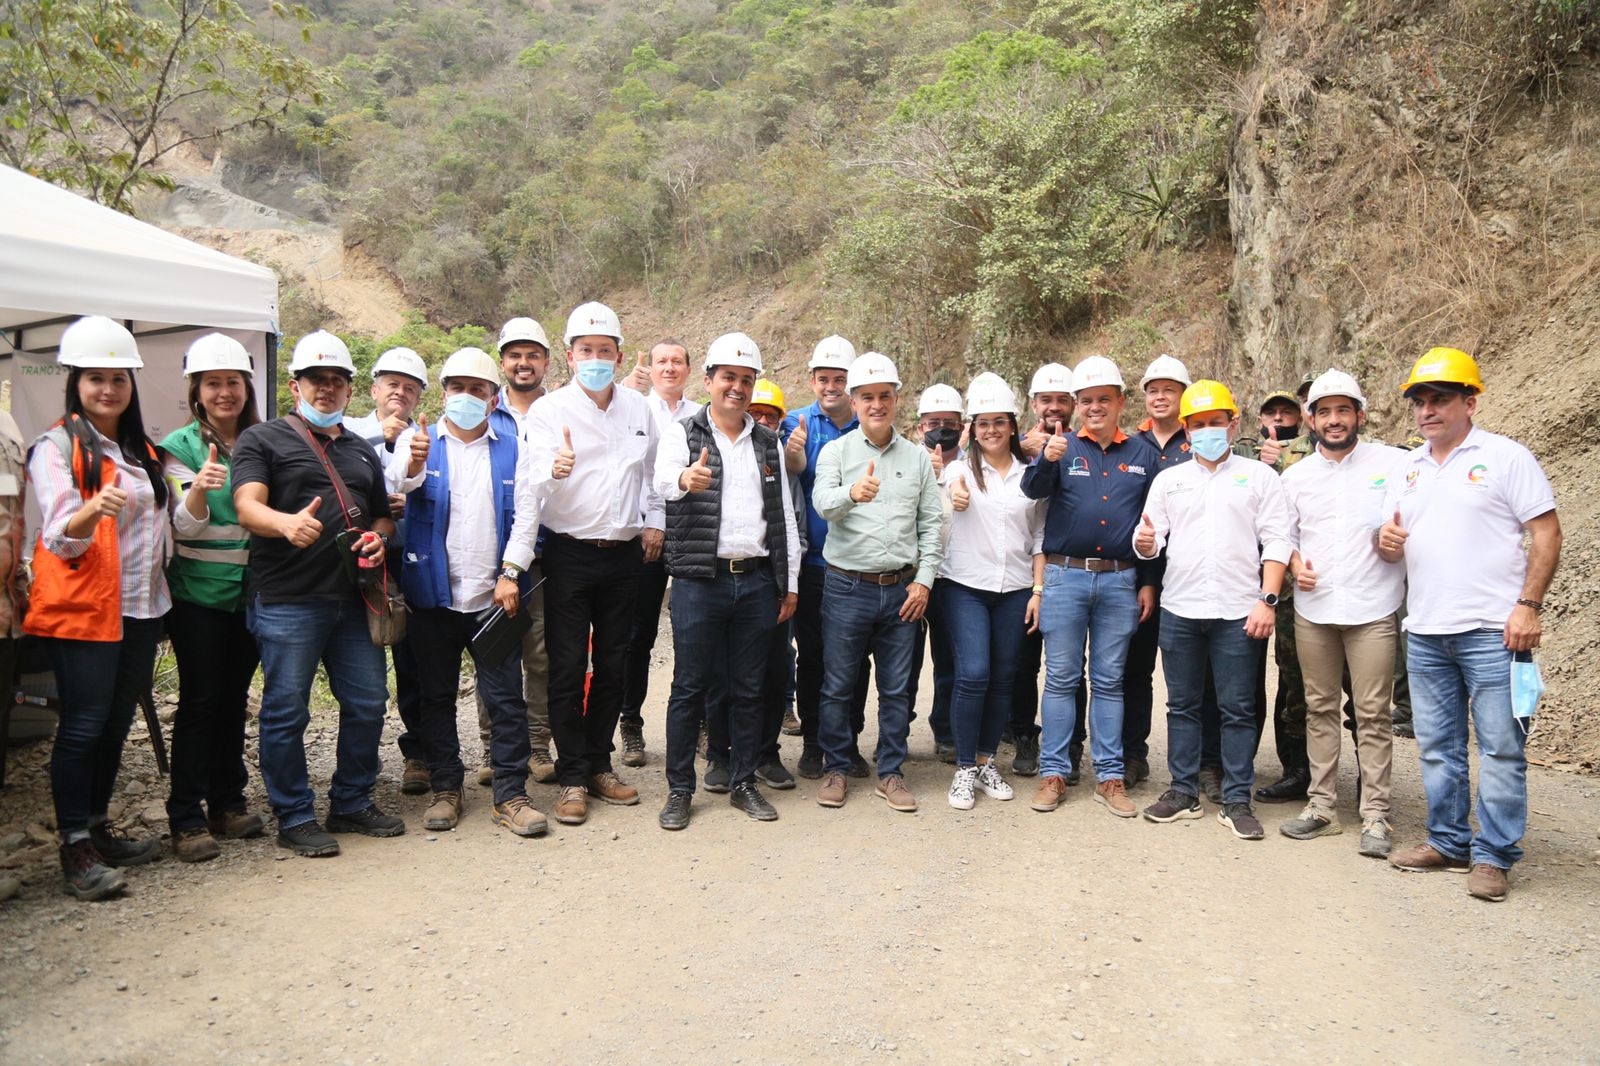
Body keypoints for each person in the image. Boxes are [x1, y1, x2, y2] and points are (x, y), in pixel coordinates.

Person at [1378, 347, 1561, 903]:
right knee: (1437, 744)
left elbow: (1547, 533)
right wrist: (1383, 543)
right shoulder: (1408, 467)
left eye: (1440, 399)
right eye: (1420, 402)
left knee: (1501, 746)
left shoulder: (1506, 458)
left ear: (1470, 401)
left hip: (1492, 630)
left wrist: (1527, 605)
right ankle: (1449, 840)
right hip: (1428, 628)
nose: (1428, 411)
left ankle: (1494, 855)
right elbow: (1391, 542)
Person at [233, 329, 403, 857]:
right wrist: (284, 523)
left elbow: (381, 514)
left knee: (369, 701)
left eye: (336, 380)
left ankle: (351, 801)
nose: (326, 389)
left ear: (350, 390)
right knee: (287, 709)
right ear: (295, 385)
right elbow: (246, 505)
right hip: (288, 598)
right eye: (316, 380)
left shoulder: (358, 449)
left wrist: (379, 537)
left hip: (353, 600)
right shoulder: (261, 440)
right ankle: (295, 814)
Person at [25, 316, 171, 899]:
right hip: (85, 611)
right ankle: (74, 846)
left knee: (113, 722)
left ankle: (98, 826)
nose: (108, 389)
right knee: (82, 725)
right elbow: (61, 533)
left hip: (140, 607)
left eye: (118, 378)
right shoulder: (56, 448)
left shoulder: (141, 451)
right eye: (95, 378)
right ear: (75, 382)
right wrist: (94, 509)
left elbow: (168, 526)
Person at [392, 347, 547, 836]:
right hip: (432, 598)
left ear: (492, 396)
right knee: (435, 697)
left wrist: (511, 572)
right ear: (443, 394)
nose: (466, 397)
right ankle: (445, 788)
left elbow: (527, 514)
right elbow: (395, 487)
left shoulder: (512, 446)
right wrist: (411, 465)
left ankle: (511, 794)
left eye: (477, 389)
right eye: (457, 388)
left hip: (493, 598)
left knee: (505, 699)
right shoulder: (417, 442)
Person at [522, 302, 663, 826]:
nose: (597, 359)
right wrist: (554, 470)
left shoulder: (638, 408)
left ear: (620, 354)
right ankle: (573, 774)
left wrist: (654, 521)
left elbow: (652, 475)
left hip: (624, 555)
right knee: (565, 666)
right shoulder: (548, 411)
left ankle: (600, 764)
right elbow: (532, 480)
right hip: (569, 554)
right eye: (587, 351)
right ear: (570, 356)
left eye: (606, 351)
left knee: (613, 662)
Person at [653, 334, 800, 830]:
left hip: (756, 581)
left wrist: (790, 583)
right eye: (728, 378)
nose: (736, 387)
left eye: (745, 380)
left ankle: (743, 782)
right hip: (699, 580)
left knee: (750, 687)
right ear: (710, 380)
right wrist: (682, 481)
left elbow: (783, 519)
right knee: (689, 686)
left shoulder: (768, 443)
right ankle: (679, 790)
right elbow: (659, 481)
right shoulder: (684, 433)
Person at [1135, 380, 1290, 842]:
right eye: (1198, 425)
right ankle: (1182, 791)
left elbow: (1278, 539)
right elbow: (1150, 539)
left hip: (1239, 612)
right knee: (1181, 705)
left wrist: (1268, 600)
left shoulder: (1260, 477)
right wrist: (1143, 545)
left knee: (1237, 708)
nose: (1207, 431)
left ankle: (1236, 798)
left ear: (1232, 423)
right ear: (1185, 429)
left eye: (1215, 423)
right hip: (1180, 609)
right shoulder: (1170, 480)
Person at [1021, 356, 1158, 817]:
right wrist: (1045, 460)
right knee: (1060, 679)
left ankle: (1110, 777)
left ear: (1121, 402)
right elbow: (1031, 490)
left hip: (1121, 578)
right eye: (1087, 401)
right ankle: (1054, 773)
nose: (1095, 408)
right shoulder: (1061, 446)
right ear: (1076, 406)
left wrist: (1147, 581)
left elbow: (1157, 523)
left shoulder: (1142, 454)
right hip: (1064, 575)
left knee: (1110, 681)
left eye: (1104, 399)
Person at [1278, 369, 1406, 857]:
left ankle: (1376, 816)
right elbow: (1282, 536)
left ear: (1360, 414)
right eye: (1325, 411)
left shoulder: (1393, 464)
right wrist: (1293, 566)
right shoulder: (1297, 476)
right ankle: (1322, 806)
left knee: (1373, 713)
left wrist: (1392, 543)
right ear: (1311, 419)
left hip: (1373, 608)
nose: (1334, 420)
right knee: (1319, 707)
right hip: (1314, 610)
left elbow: (1406, 526)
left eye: (1343, 410)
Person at [811, 353, 944, 813]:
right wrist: (852, 494)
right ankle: (836, 766)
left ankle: (891, 771)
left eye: (884, 396)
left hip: (903, 590)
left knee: (897, 688)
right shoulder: (836, 452)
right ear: (854, 400)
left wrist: (923, 583)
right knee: (838, 684)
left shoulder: (917, 458)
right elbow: (823, 503)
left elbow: (931, 525)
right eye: (867, 397)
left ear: (896, 399)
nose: (877, 404)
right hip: (847, 587)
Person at [160, 334, 265, 862]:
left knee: (233, 700)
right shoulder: (178, 448)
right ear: (196, 392)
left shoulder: (263, 439)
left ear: (247, 387)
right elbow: (185, 525)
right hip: (197, 598)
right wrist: (199, 486)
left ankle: (227, 802)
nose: (224, 392)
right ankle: (184, 817)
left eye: (233, 383)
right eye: (212, 384)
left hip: (250, 598)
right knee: (201, 700)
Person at [935, 373, 1042, 811]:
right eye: (982, 423)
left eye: (999, 422)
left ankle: (985, 761)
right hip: (965, 586)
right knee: (973, 673)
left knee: (1003, 677)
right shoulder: (957, 469)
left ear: (1013, 425)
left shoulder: (1029, 477)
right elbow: (944, 504)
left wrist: (1038, 590)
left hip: (1016, 588)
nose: (992, 430)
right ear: (971, 428)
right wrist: (953, 496)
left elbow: (1040, 537)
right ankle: (964, 767)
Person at [342, 346, 431, 798]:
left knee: (411, 660)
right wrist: (381, 437)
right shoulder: (351, 430)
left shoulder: (423, 437)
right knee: (359, 665)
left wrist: (404, 502)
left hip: (402, 559)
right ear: (373, 389)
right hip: (349, 563)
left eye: (410, 387)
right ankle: (357, 765)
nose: (400, 392)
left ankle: (417, 752)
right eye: (392, 384)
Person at [783, 335, 872, 780]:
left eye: (840, 379)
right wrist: (792, 456)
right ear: (812, 380)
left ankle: (849, 741)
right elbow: (784, 479)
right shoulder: (795, 423)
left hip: (858, 563)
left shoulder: (869, 423)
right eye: (824, 378)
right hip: (813, 563)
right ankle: (816, 741)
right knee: (813, 655)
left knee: (855, 658)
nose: (831, 386)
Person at [478, 317, 556, 786]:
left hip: (548, 555)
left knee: (542, 653)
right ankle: (493, 748)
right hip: (494, 555)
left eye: (532, 355)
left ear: (547, 362)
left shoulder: (564, 410)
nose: (523, 363)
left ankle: (539, 744)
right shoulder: (483, 414)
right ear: (502, 362)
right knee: (494, 649)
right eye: (514, 355)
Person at [620, 338, 696, 768]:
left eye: (677, 361)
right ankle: (630, 722)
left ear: (689, 369)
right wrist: (653, 522)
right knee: (638, 635)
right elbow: (639, 472)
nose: (669, 368)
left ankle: (698, 723)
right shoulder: (633, 407)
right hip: (644, 535)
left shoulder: (700, 415)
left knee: (693, 633)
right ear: (650, 367)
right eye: (661, 361)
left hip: (691, 535)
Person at [1123, 353, 1194, 789]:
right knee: (1135, 669)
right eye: (1153, 390)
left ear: (1184, 396)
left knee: (1195, 675)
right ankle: (1133, 753)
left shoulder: (1202, 440)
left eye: (1169, 389)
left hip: (1194, 574)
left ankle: (1205, 761)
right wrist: (1143, 578)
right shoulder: (1133, 444)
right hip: (1141, 575)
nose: (1160, 396)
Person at [1009, 362, 1078, 777]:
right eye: (1046, 400)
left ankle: (1070, 743)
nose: (1054, 407)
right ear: (1033, 403)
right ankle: (1023, 734)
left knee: (1069, 666)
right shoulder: (1016, 445)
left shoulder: (1086, 443)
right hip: (1025, 567)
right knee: (1024, 661)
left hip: (1069, 566)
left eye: (1061, 400)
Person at [911, 382, 963, 761]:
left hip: (956, 578)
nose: (941, 429)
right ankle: (896, 733)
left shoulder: (975, 463)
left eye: (949, 422)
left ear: (963, 425)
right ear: (919, 427)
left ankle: (945, 730)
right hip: (911, 576)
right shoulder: (907, 460)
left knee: (950, 661)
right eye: (934, 422)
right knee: (903, 662)